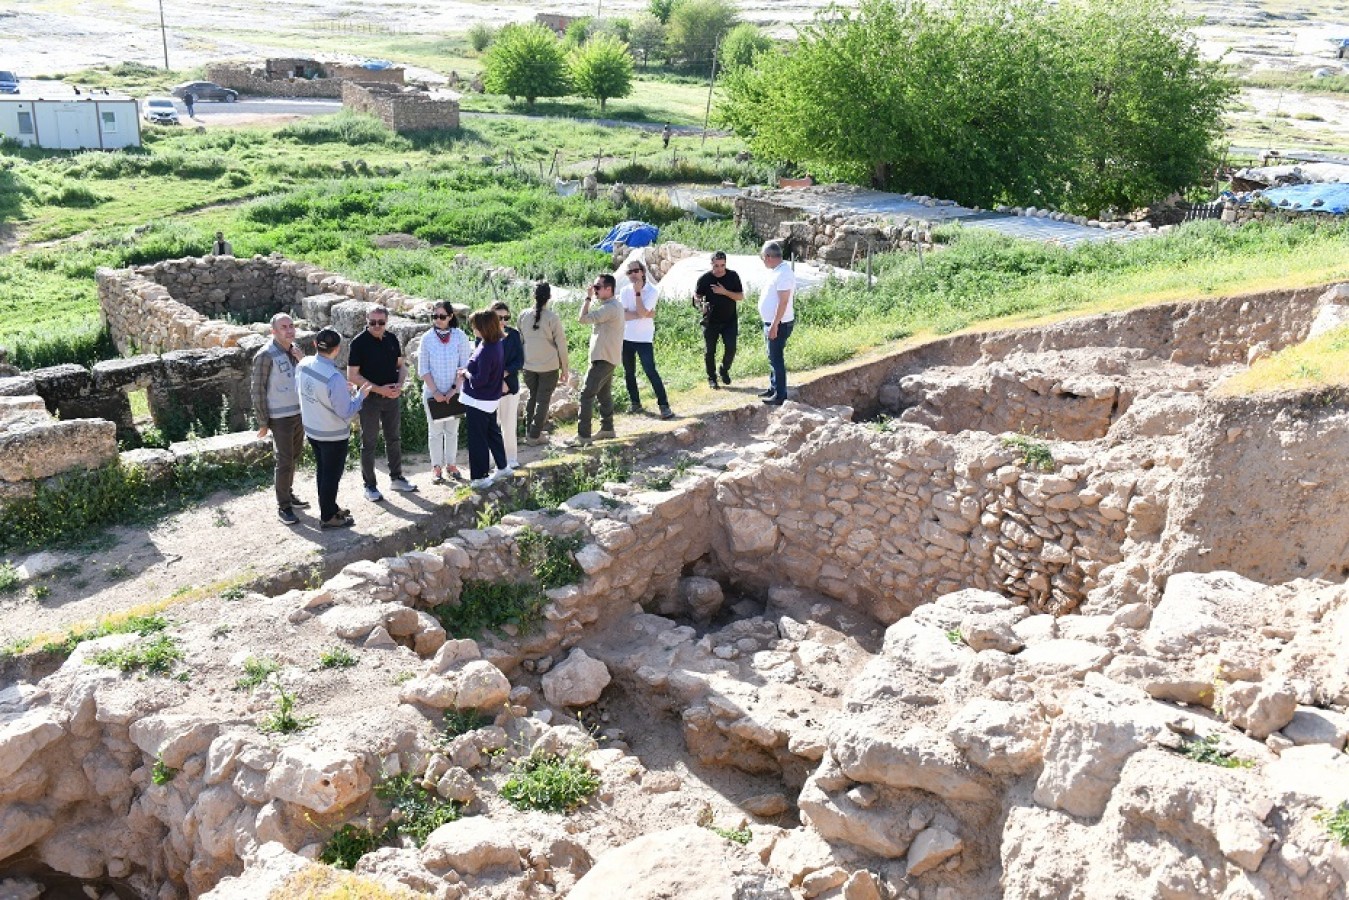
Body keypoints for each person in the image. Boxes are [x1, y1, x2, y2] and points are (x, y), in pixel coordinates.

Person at [297, 329, 372, 529]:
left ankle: (329, 507)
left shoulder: (303, 365)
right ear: (337, 349)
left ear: (315, 344)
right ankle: (328, 516)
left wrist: (341, 390)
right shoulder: (334, 377)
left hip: (313, 429)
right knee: (331, 476)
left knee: (323, 471)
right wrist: (360, 396)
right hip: (332, 434)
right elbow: (346, 411)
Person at [347, 305, 418, 501]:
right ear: (366, 321)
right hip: (370, 399)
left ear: (386, 322)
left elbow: (401, 366)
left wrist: (399, 385)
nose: (376, 326)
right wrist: (380, 390)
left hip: (391, 398)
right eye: (372, 322)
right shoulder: (358, 343)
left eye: (381, 322)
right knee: (369, 443)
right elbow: (352, 376)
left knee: (393, 438)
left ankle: (397, 478)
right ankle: (369, 485)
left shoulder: (392, 339)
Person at [251, 313, 308, 525]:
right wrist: (263, 422)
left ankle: (288, 493)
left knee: (294, 456)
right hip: (280, 416)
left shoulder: (296, 350)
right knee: (284, 460)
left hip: (298, 413)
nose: (289, 330)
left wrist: (302, 359)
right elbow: (257, 389)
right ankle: (283, 506)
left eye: (292, 325)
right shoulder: (265, 355)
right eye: (284, 327)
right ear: (273, 331)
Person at [418, 300, 472, 483]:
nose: (438, 320)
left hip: (455, 392)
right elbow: (423, 369)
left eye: (442, 316)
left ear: (450, 317)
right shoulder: (426, 338)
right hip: (433, 393)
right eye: (435, 316)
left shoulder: (460, 337)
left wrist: (453, 389)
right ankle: (436, 467)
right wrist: (435, 392)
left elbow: (464, 366)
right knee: (435, 432)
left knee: (452, 431)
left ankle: (451, 464)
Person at [618, 259, 674, 420]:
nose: (633, 275)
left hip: (644, 338)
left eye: (635, 271)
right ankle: (635, 402)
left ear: (642, 271)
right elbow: (623, 314)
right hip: (626, 337)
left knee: (650, 371)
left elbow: (640, 312)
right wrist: (642, 314)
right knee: (629, 373)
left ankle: (664, 405)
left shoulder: (652, 290)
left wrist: (637, 295)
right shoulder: (624, 290)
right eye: (629, 272)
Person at [459, 309, 509, 486]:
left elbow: (479, 381)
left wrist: (465, 373)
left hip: (478, 399)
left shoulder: (488, 349)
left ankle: (480, 478)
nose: (473, 329)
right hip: (489, 399)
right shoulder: (495, 343)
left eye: (475, 326)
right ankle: (503, 466)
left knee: (477, 438)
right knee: (492, 432)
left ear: (484, 327)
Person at [575, 273, 624, 445]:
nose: (594, 290)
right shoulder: (612, 306)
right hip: (607, 356)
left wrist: (587, 298)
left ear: (608, 289)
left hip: (603, 357)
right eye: (594, 287)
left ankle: (584, 436)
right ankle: (607, 428)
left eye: (597, 287)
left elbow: (582, 319)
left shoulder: (609, 308)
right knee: (604, 395)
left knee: (586, 395)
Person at [518, 281, 569, 446]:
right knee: (543, 400)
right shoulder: (552, 318)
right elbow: (561, 345)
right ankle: (535, 435)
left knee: (533, 397)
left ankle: (529, 433)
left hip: (529, 365)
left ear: (533, 296)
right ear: (549, 297)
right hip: (549, 365)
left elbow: (521, 341)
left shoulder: (523, 315)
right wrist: (565, 368)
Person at [693, 250, 744, 390]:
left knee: (731, 348)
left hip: (729, 321)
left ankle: (724, 369)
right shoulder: (704, 279)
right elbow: (696, 297)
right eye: (716, 266)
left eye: (722, 265)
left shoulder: (733, 276)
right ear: (711, 264)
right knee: (710, 351)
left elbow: (740, 296)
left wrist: (725, 292)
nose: (719, 269)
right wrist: (700, 305)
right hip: (711, 321)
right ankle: (712, 377)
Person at [758, 241, 796, 406]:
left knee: (776, 358)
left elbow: (783, 302)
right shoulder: (777, 271)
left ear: (768, 257)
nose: (763, 261)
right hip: (772, 322)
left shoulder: (784, 274)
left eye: (763, 258)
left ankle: (780, 394)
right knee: (771, 357)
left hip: (779, 324)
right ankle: (774, 387)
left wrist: (775, 324)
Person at [491, 301, 524, 470]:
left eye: (506, 317)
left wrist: (504, 375)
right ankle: (493, 459)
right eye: (499, 317)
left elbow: (519, 361)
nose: (503, 320)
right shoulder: (484, 335)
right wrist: (498, 378)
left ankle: (511, 458)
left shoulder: (514, 335)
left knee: (509, 423)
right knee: (492, 425)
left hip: (510, 386)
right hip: (490, 388)